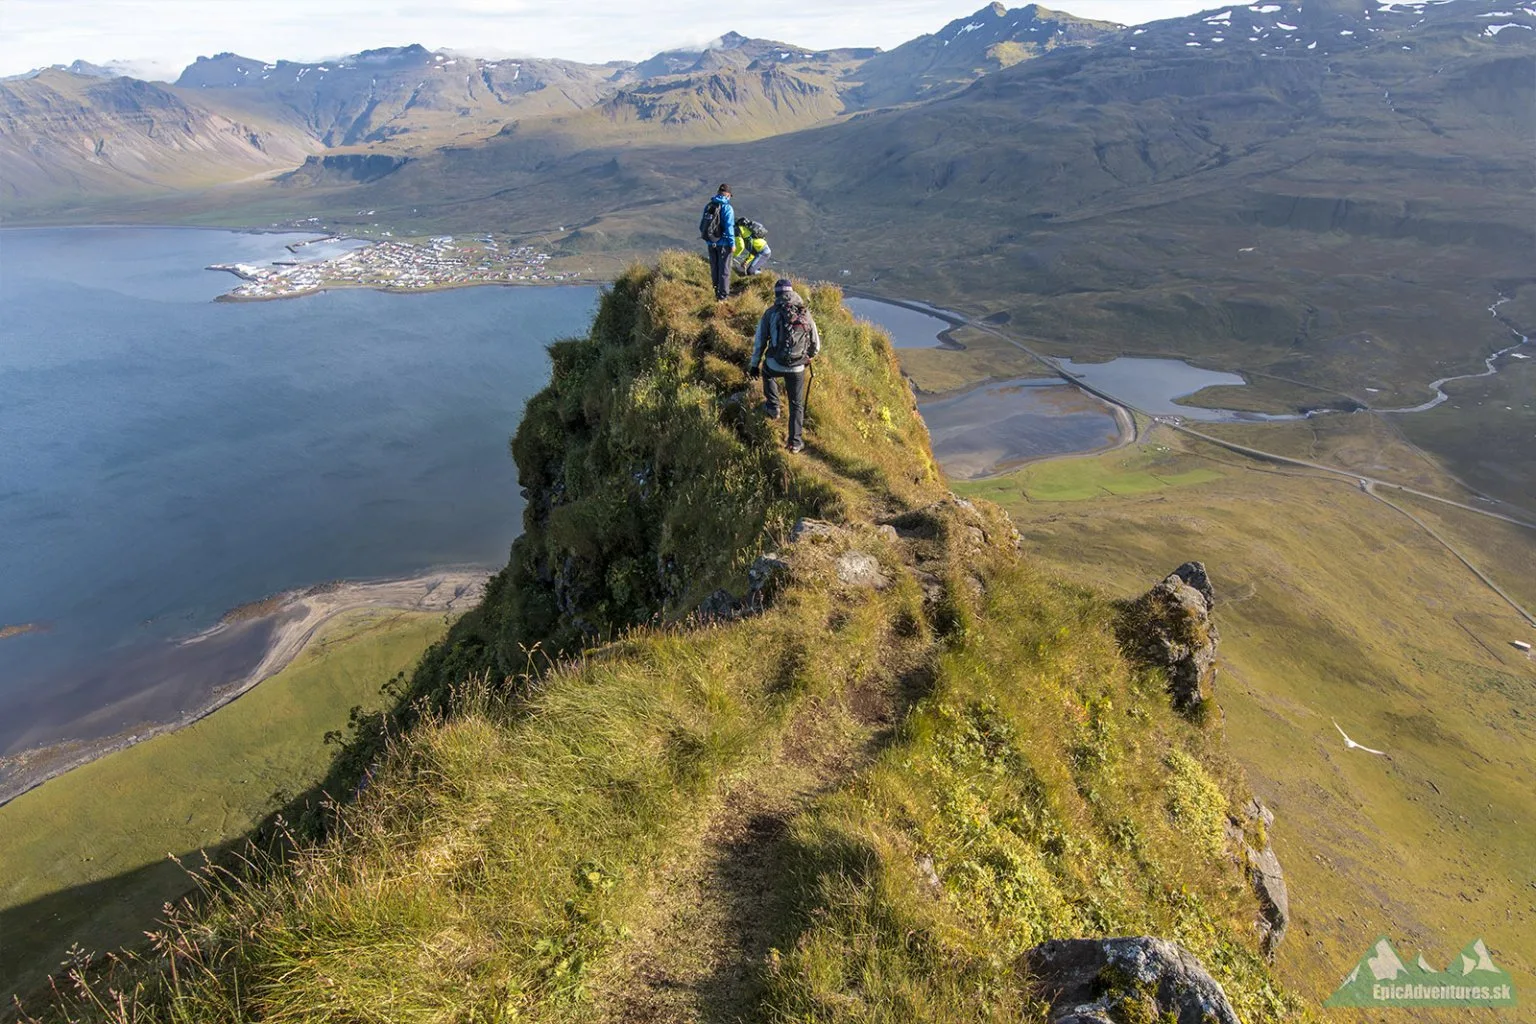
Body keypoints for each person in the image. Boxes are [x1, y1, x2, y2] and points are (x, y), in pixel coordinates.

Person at [747, 278, 821, 453]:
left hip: (776, 363)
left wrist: (754, 365)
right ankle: (795, 443)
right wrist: (808, 357)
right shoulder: (805, 313)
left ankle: (773, 407)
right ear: (792, 292)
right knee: (796, 404)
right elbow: (816, 345)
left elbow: (759, 342)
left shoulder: (771, 313)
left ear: (777, 294)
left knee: (767, 372)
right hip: (798, 367)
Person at [699, 183, 735, 301]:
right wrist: (732, 243)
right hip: (724, 243)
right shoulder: (727, 208)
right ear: (728, 195)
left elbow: (702, 225)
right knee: (724, 269)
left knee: (714, 268)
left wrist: (709, 238)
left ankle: (716, 290)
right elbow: (729, 227)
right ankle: (723, 296)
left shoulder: (709, 205)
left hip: (711, 242)